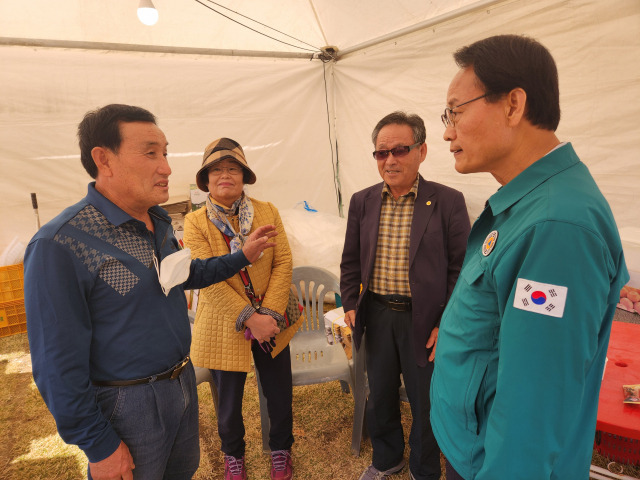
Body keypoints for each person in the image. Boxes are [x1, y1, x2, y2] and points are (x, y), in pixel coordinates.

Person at [24, 104, 278, 480]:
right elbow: (56, 366)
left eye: (165, 152)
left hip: (181, 383)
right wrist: (99, 445)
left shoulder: (157, 220)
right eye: (150, 153)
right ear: (103, 159)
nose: (166, 167)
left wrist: (241, 257)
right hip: (127, 403)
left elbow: (182, 275)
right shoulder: (60, 244)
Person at [430, 35, 629, 480]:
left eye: (455, 111)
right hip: (471, 446)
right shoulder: (531, 203)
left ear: (513, 105)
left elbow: (535, 404)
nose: (447, 130)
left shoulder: (557, 227)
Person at [340, 112, 471, 480]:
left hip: (425, 320)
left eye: (400, 150)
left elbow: (461, 271)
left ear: (422, 151)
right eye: (382, 153)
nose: (391, 160)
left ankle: (423, 469)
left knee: (425, 401)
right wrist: (351, 302)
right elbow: (350, 261)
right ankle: (387, 459)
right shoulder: (362, 201)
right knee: (380, 394)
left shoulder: (448, 201)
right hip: (377, 315)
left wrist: (446, 323)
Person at [183, 138, 302, 480]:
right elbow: (206, 277)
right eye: (216, 169)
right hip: (224, 322)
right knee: (228, 403)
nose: (225, 175)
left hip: (273, 317)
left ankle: (281, 450)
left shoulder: (267, 210)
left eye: (233, 168)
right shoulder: (195, 222)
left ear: (244, 176)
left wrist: (270, 314)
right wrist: (250, 317)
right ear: (205, 180)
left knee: (279, 392)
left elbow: (283, 262)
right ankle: (233, 456)